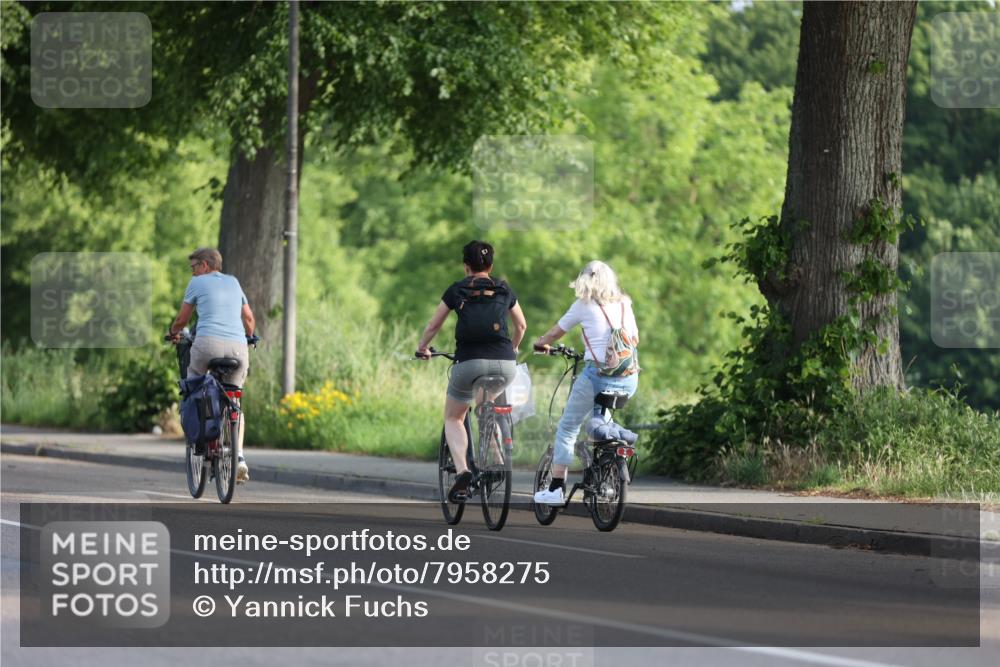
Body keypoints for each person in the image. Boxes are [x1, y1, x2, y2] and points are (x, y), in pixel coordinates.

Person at [416, 240, 527, 503]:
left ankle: (464, 471)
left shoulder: (457, 289)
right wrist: (512, 350)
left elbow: (433, 325)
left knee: (454, 417)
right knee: (485, 406)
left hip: (469, 362)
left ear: (466, 267)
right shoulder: (503, 288)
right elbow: (521, 325)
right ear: (491, 265)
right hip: (505, 364)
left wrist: (423, 347)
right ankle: (497, 458)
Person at [532, 260, 640, 504]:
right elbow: (635, 338)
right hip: (629, 378)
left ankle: (556, 489)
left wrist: (541, 343)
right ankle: (608, 467)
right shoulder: (625, 304)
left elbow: (555, 333)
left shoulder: (583, 305)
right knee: (599, 420)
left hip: (597, 376)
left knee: (568, 427)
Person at [168, 248, 256, 484]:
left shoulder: (197, 283)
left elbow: (182, 320)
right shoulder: (234, 282)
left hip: (207, 345)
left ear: (205, 265)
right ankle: (238, 457)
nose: (193, 271)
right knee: (235, 401)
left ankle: (200, 438)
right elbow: (248, 319)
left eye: (194, 266)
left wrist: (173, 333)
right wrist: (251, 336)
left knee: (194, 385)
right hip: (238, 349)